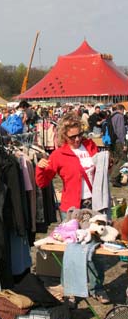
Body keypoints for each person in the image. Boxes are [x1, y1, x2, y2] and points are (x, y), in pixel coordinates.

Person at [35, 113, 110, 304]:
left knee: (95, 248)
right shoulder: (59, 155)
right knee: (72, 250)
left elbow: (102, 171)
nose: (77, 139)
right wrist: (41, 167)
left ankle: (96, 287)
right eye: (72, 137)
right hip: (72, 208)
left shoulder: (90, 146)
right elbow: (42, 182)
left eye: (79, 135)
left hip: (95, 204)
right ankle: (70, 289)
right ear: (64, 137)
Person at [110, 104, 127, 187]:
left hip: (113, 142)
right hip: (119, 141)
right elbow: (120, 131)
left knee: (117, 160)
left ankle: (117, 179)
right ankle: (115, 178)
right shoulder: (120, 117)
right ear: (121, 109)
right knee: (123, 160)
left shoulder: (112, 116)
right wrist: (124, 143)